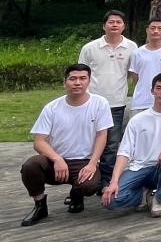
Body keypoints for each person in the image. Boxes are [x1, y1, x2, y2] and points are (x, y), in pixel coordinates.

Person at [20, 64, 113, 226]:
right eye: (72, 79)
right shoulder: (52, 108)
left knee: (89, 186)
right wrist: (57, 159)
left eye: (82, 78)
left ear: (89, 81)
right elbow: (39, 141)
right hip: (56, 161)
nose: (77, 82)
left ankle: (77, 194)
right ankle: (40, 206)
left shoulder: (100, 103)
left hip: (84, 161)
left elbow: (101, 135)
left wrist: (93, 163)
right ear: (65, 82)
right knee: (30, 166)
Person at [101, 71, 161, 218]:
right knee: (110, 201)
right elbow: (124, 152)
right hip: (138, 168)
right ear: (152, 91)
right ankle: (141, 196)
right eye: (159, 88)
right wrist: (114, 181)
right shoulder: (138, 119)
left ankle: (158, 198)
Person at [77, 9, 136, 187]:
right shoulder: (90, 48)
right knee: (89, 142)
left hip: (117, 103)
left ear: (124, 26)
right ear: (104, 26)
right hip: (92, 103)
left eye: (118, 22)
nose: (115, 25)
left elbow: (132, 73)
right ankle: (85, 178)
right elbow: (81, 74)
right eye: (111, 22)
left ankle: (106, 181)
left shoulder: (131, 47)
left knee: (111, 144)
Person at [127, 16, 161, 122]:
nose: (156, 31)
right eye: (153, 28)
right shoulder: (137, 53)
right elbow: (135, 78)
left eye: (160, 28)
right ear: (147, 30)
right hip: (141, 102)